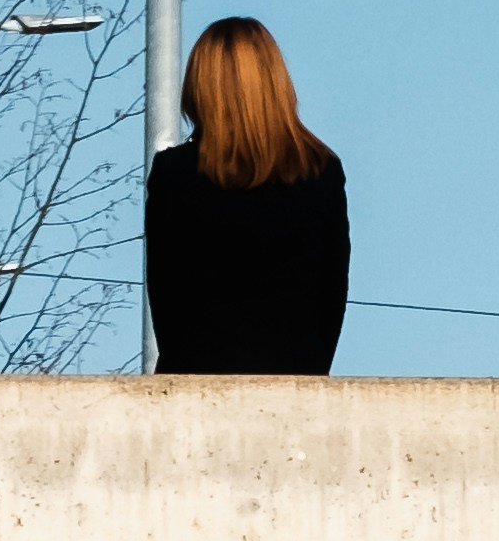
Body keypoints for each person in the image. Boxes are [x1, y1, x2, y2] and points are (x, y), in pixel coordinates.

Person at [145, 19, 348, 376]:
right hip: (295, 376)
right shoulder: (321, 170)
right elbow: (331, 296)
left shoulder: (173, 174)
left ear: (200, 86)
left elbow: (166, 295)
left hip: (196, 377)